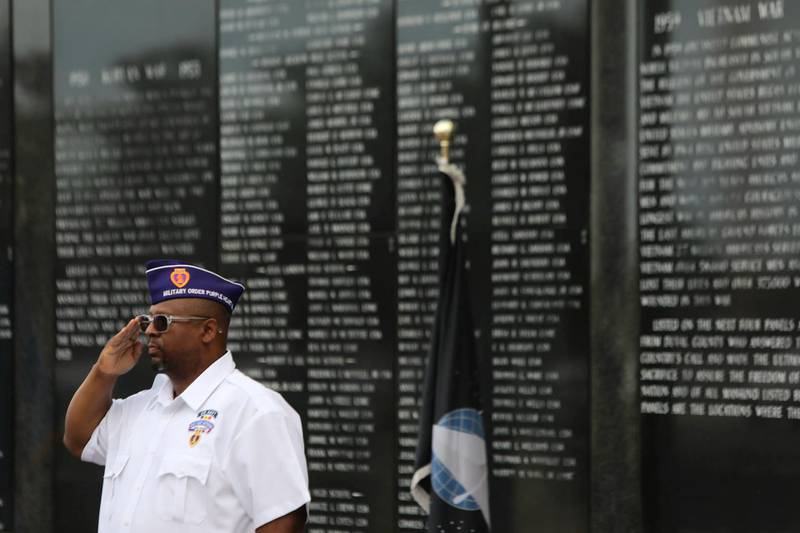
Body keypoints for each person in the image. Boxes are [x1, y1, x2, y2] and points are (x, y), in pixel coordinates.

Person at [63, 259, 310, 533]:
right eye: (148, 320)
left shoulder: (255, 411)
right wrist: (103, 372)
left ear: (207, 330)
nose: (149, 331)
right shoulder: (141, 408)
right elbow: (78, 439)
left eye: (162, 321)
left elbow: (283, 520)